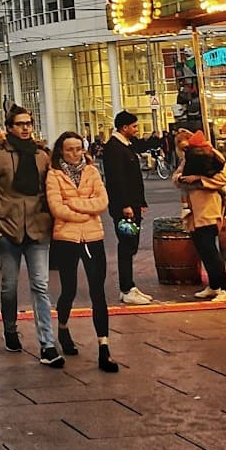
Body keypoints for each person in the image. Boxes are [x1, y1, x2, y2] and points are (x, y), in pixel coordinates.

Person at [0, 106, 63, 365]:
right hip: (8, 229)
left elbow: (52, 186)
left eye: (29, 123)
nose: (26, 128)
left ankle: (47, 344)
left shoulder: (41, 155)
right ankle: (10, 329)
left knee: (40, 286)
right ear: (10, 127)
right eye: (20, 124)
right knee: (9, 285)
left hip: (37, 229)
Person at [46, 131, 118, 373]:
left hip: (93, 237)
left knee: (98, 291)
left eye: (78, 149)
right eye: (69, 150)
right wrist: (86, 210)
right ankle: (64, 328)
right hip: (66, 238)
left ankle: (104, 348)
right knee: (69, 289)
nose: (75, 154)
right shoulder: (54, 174)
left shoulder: (92, 171)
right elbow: (57, 208)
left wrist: (74, 204)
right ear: (61, 151)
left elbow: (102, 201)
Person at [174, 130, 226, 303]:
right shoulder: (189, 158)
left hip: (209, 208)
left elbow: (223, 179)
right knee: (203, 249)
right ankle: (214, 285)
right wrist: (182, 179)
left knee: (210, 249)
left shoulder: (212, 154)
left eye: (186, 147)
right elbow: (176, 176)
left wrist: (199, 180)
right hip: (194, 212)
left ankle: (225, 289)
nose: (185, 151)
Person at [101, 111, 152, 305]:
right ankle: (126, 287)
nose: (136, 130)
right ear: (124, 128)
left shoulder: (126, 146)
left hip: (133, 205)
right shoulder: (114, 148)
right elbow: (117, 180)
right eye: (134, 127)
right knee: (127, 244)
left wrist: (141, 202)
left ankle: (129, 285)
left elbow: (134, 179)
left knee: (131, 244)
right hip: (125, 207)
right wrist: (126, 205)